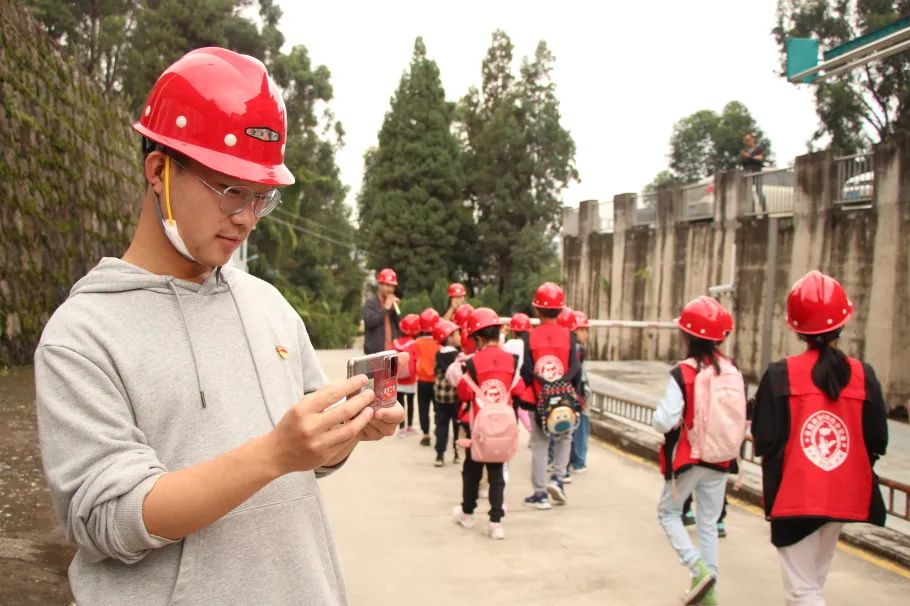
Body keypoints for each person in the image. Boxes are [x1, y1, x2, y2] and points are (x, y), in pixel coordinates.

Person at [33, 47, 404, 605]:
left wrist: (342, 435)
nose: (248, 217)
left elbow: (307, 459)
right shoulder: (82, 337)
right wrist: (275, 453)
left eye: (262, 197)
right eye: (230, 189)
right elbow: (105, 518)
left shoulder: (269, 304)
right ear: (158, 171)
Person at [752, 271, 888, 606]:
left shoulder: (781, 373)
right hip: (843, 494)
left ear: (795, 327)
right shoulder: (863, 375)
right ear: (844, 321)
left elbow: (765, 438)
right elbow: (878, 440)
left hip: (796, 495)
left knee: (803, 591)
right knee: (812, 584)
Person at [652, 296, 742, 606]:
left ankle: (697, 566)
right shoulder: (732, 369)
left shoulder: (682, 373)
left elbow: (664, 421)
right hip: (722, 458)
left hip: (689, 459)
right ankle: (709, 590)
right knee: (708, 521)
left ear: (686, 335)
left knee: (668, 513)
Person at [452, 307, 522, 540]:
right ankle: (495, 522)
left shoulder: (472, 363)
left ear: (479, 338)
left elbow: (463, 393)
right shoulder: (512, 361)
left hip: (477, 428)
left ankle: (468, 513)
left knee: (471, 470)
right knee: (497, 475)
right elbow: (519, 389)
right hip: (502, 429)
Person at [519, 282, 582, 510]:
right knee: (565, 437)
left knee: (540, 444)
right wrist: (562, 385)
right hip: (564, 397)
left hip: (538, 399)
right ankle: (558, 478)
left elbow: (526, 372)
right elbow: (576, 369)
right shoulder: (569, 337)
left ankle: (540, 493)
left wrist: (542, 384)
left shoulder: (529, 338)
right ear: (561, 309)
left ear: (537, 310)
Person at [432, 319, 462, 466]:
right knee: (457, 425)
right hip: (456, 397)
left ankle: (439, 455)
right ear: (448, 337)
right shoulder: (458, 355)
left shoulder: (437, 354)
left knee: (442, 425)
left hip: (440, 398)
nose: (460, 336)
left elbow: (434, 373)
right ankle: (456, 453)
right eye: (457, 334)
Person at [569, 310, 592, 476]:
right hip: (578, 396)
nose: (585, 334)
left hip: (570, 395)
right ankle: (578, 462)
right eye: (582, 330)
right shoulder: (578, 349)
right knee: (581, 428)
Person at [414, 307, 441, 446]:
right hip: (437, 381)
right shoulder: (440, 342)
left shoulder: (417, 342)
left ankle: (425, 434)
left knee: (423, 408)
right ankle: (438, 426)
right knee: (438, 407)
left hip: (422, 381)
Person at [393, 313, 421, 436]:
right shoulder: (414, 344)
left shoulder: (395, 343)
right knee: (410, 403)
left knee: (400, 404)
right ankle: (409, 426)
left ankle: (402, 428)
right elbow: (416, 361)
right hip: (410, 380)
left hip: (398, 379)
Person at [362, 268, 401, 354]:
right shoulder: (370, 303)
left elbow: (400, 326)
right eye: (387, 285)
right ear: (380, 285)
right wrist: (386, 308)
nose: (390, 289)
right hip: (375, 353)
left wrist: (396, 311)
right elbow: (370, 322)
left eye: (392, 286)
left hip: (392, 352)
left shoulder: (392, 304)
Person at [740, 132, 766, 213]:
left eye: (748, 140)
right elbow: (743, 161)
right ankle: (752, 211)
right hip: (748, 174)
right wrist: (750, 158)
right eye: (745, 141)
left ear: (753, 140)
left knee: (759, 192)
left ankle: (764, 210)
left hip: (757, 173)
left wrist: (750, 157)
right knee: (749, 194)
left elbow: (760, 158)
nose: (746, 142)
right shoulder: (745, 151)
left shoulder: (758, 149)